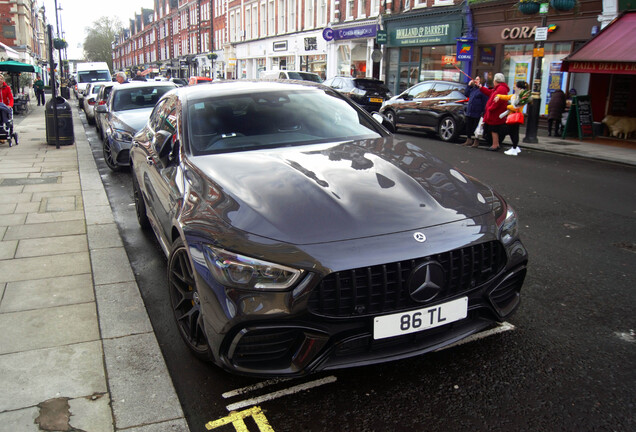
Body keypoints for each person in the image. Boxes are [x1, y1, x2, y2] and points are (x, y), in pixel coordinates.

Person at [495, 81, 531, 156]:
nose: (514, 88)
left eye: (515, 86)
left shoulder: (521, 97)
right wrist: (498, 95)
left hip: (515, 117)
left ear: (519, 88)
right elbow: (507, 97)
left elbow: (516, 107)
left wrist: (508, 106)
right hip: (512, 117)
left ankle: (514, 148)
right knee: (513, 132)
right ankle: (515, 147)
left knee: (512, 132)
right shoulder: (515, 95)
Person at [477, 72, 509, 151]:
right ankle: (496, 144)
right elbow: (490, 93)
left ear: (496, 80)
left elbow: (497, 101)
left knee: (493, 129)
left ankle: (495, 145)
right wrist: (481, 87)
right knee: (493, 129)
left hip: (495, 113)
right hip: (495, 112)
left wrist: (490, 108)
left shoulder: (500, 89)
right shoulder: (498, 88)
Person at [462, 76, 488, 147]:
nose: (476, 80)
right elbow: (466, 94)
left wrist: (483, 111)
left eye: (477, 79)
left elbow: (485, 101)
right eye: (475, 79)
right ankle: (468, 139)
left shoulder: (482, 90)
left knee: (476, 127)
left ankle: (476, 140)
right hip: (470, 111)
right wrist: (469, 85)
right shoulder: (473, 89)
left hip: (477, 111)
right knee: (468, 126)